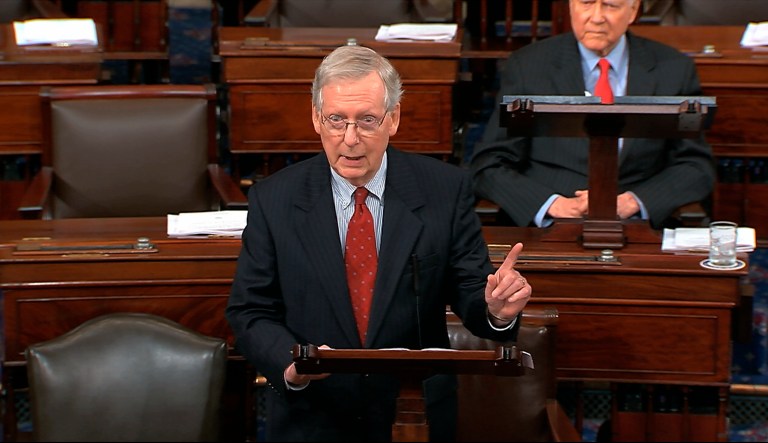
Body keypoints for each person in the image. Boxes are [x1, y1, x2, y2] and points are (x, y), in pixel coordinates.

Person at [225, 44, 532, 442]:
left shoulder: (443, 190)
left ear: (394, 119)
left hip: (414, 412)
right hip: (313, 414)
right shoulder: (274, 199)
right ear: (316, 118)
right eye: (337, 119)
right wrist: (290, 365)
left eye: (367, 120)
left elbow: (471, 293)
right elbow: (250, 310)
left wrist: (496, 310)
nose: (350, 139)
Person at [470, 0, 715, 229]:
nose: (596, 17)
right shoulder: (528, 66)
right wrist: (551, 204)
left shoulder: (673, 69)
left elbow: (695, 164)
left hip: (637, 225)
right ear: (570, 6)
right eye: (586, 3)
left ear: (633, 11)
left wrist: (634, 202)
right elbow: (489, 162)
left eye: (610, 5)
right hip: (551, 225)